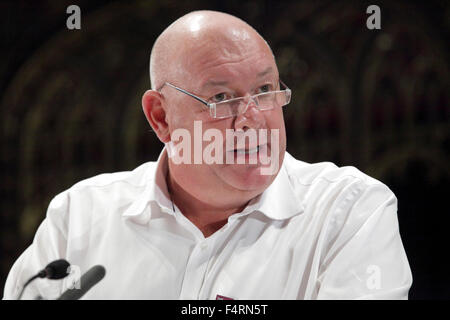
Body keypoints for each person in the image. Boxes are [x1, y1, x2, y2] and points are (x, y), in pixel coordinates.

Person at [3, 10, 412, 300]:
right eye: (221, 98)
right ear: (160, 117)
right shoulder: (79, 216)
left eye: (266, 90)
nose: (252, 119)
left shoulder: (349, 210)